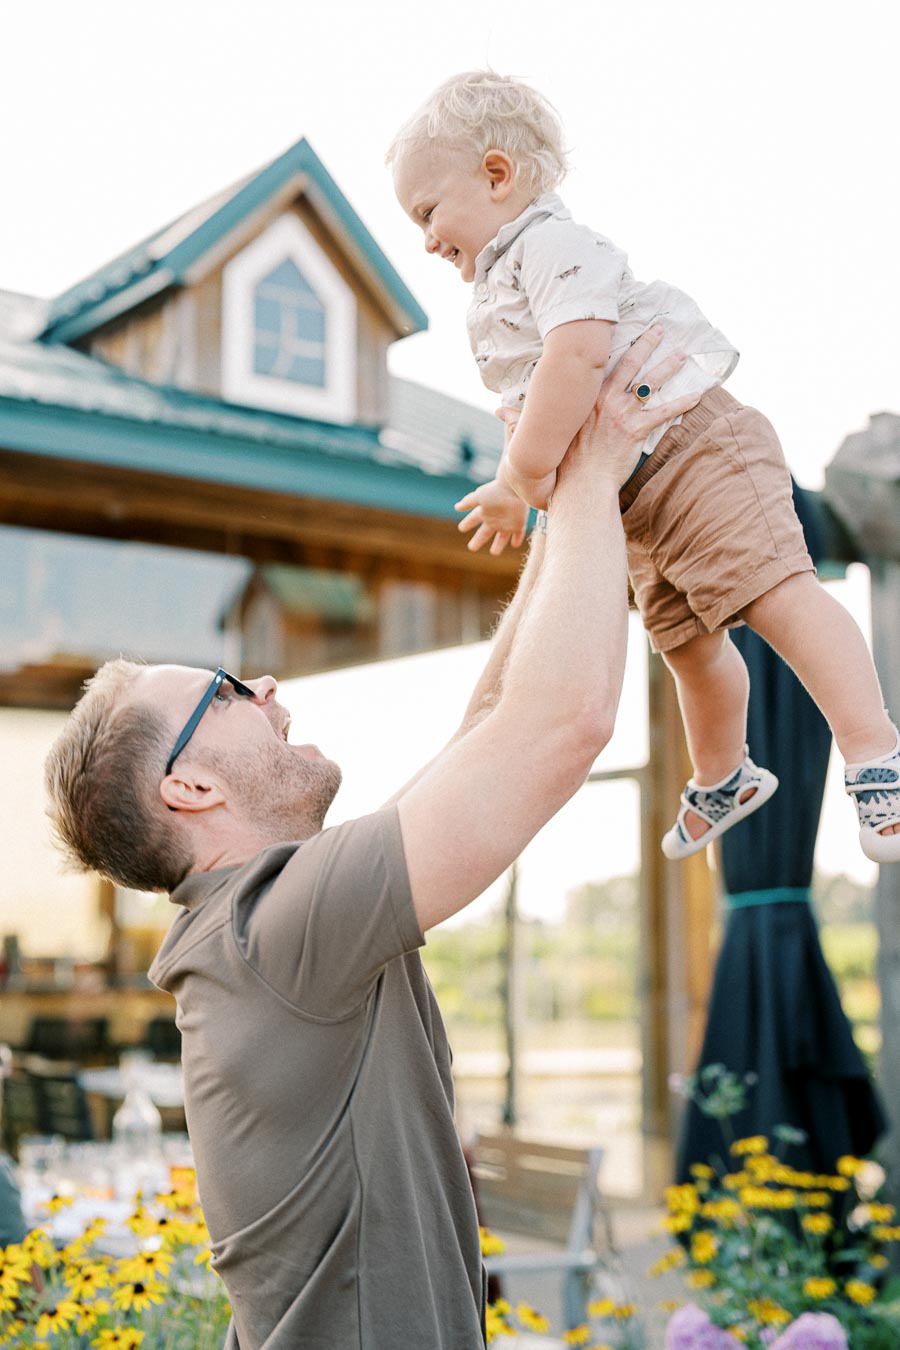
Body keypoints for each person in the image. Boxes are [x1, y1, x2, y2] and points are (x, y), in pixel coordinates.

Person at [43, 331, 693, 1350]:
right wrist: (598, 461)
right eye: (225, 690)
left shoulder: (268, 929)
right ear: (190, 785)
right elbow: (562, 724)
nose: (264, 689)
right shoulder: (274, 931)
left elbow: (491, 728)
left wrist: (549, 500)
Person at [388, 70, 900, 865]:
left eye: (428, 212)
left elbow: (580, 352)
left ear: (496, 175)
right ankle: (725, 773)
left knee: (777, 597)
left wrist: (520, 479)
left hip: (695, 447)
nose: (424, 237)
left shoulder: (550, 247)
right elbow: (539, 397)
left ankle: (877, 753)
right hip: (636, 496)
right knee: (687, 647)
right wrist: (523, 466)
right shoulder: (501, 285)